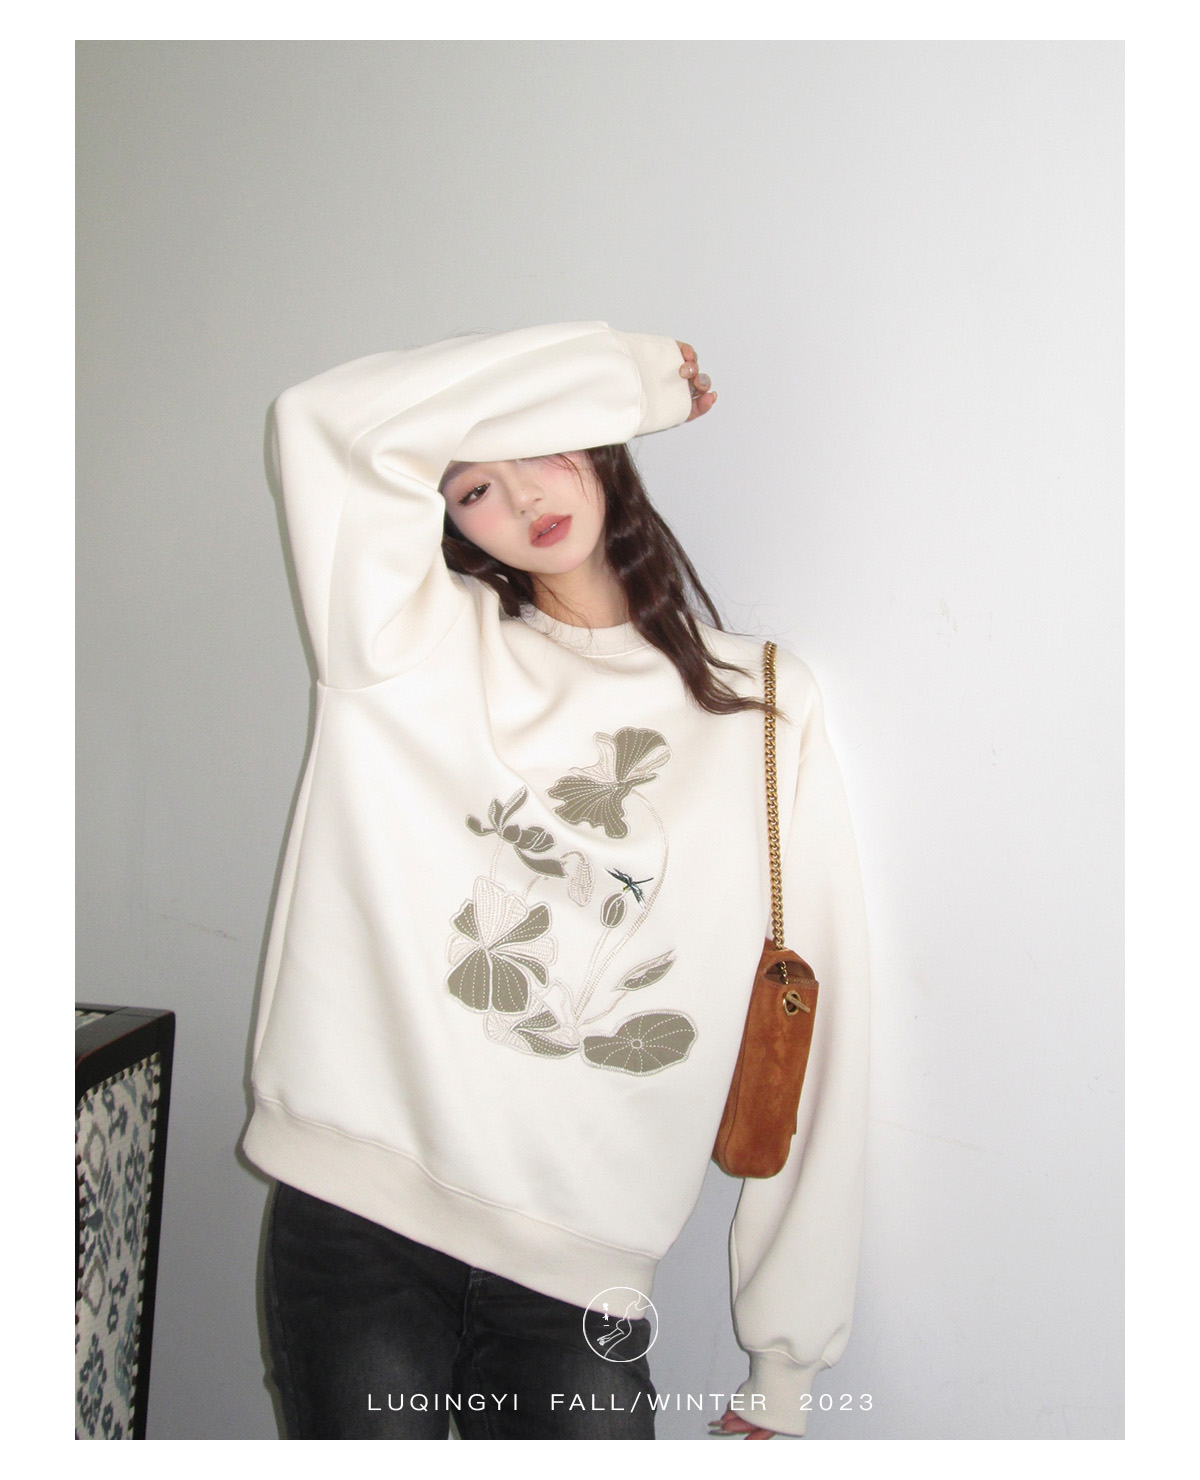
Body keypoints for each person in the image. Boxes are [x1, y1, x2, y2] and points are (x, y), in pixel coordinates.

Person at [243, 322, 870, 1440]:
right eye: (476, 487)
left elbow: (820, 1020)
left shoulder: (764, 707)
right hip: (359, 1224)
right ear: (452, 521)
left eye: (544, 445)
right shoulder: (408, 651)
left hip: (579, 1279)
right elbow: (322, 420)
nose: (524, 495)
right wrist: (628, 377)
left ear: (597, 443)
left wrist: (786, 1358)